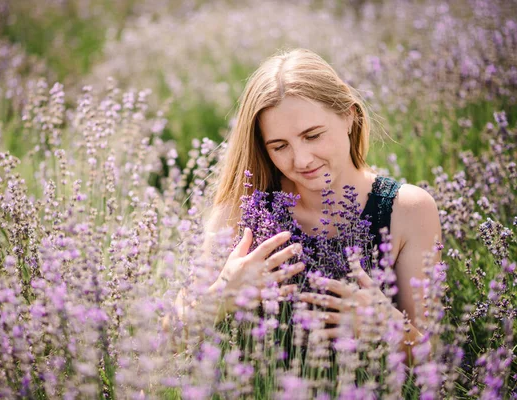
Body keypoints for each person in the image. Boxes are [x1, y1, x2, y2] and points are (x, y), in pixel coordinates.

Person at [173, 48, 441, 366]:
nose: (301, 160)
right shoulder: (244, 209)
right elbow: (171, 337)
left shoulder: (408, 210)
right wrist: (222, 296)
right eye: (280, 146)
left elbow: (430, 356)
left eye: (312, 136)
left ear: (349, 116)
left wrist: (386, 327)